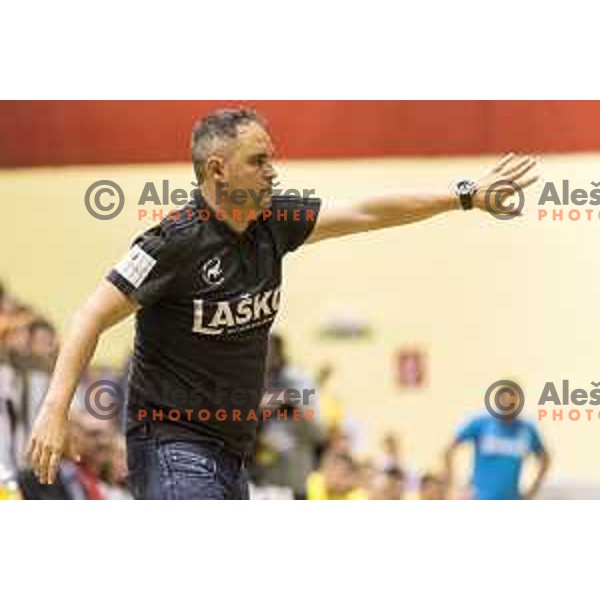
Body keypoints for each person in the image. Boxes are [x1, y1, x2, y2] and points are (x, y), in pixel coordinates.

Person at [27, 107, 539, 499]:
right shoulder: (171, 243)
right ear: (217, 169)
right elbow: (90, 315)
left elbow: (365, 211)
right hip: (171, 440)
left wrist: (465, 196)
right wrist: (55, 411)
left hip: (232, 447)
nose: (274, 171)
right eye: (259, 160)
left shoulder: (276, 220)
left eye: (272, 157)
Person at [444, 400, 551, 500]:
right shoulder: (482, 423)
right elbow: (449, 450)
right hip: (479, 497)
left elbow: (545, 459)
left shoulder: (526, 429)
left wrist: (533, 489)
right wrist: (452, 484)